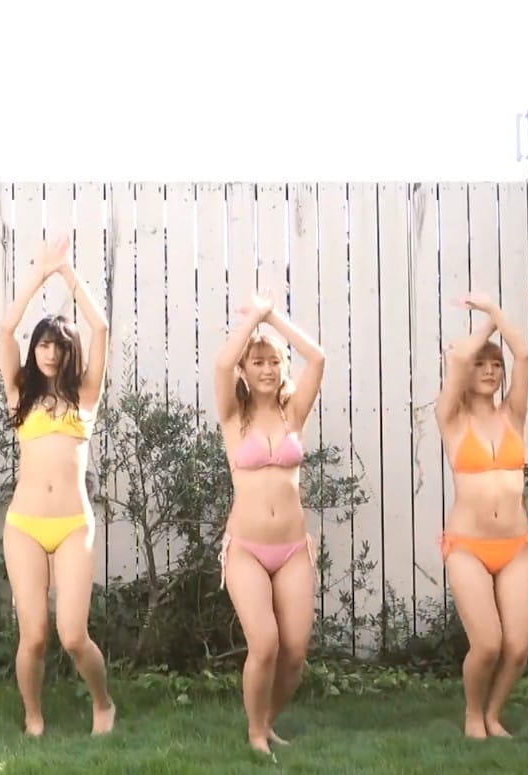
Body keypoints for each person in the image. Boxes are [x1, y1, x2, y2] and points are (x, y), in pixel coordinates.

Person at [0, 237, 116, 737]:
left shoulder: (85, 394)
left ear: (70, 352)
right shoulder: (20, 393)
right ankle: (33, 717)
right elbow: (6, 329)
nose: (50, 352)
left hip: (72, 527)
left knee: (72, 635)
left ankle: (103, 703)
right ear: (35, 350)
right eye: (43, 344)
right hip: (24, 525)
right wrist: (38, 275)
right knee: (34, 637)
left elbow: (101, 327)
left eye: (59, 345)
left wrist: (67, 274)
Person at [212, 292, 326, 755]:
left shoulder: (292, 412)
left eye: (274, 361)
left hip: (293, 547)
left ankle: (266, 721)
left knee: (294, 653)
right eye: (257, 362)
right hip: (247, 548)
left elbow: (318, 358)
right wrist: (252, 321)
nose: (267, 369)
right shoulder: (233, 417)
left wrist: (274, 318)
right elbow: (221, 364)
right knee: (264, 644)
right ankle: (256, 735)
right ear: (245, 368)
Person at [434, 292, 528, 739]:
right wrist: (484, 331)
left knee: (517, 648)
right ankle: (473, 714)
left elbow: (524, 354)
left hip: (516, 546)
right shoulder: (451, 419)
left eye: (496, 365)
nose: (491, 370)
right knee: (488, 643)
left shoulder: (513, 415)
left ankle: (494, 715)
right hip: (468, 547)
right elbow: (457, 358)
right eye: (482, 364)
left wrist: (496, 312)